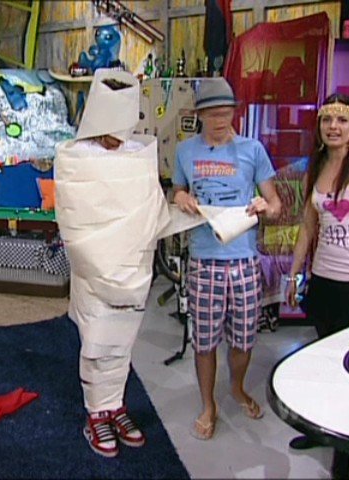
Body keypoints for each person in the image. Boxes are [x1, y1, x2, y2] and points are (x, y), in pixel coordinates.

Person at [54, 69, 170, 458]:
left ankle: (115, 405)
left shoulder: (138, 155)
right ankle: (95, 413)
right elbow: (72, 215)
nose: (112, 138)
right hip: (94, 265)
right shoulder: (75, 157)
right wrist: (99, 256)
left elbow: (151, 206)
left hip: (132, 263)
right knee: (97, 341)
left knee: (121, 342)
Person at [172, 77, 281, 440]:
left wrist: (265, 205)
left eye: (226, 113)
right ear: (200, 115)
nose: (220, 120)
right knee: (204, 341)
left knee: (244, 339)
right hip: (204, 259)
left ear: (235, 112)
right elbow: (177, 189)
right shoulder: (186, 151)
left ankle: (237, 387)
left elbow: (276, 204)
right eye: (213, 114)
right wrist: (181, 197)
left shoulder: (253, 150)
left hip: (243, 259)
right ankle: (208, 404)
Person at [283, 94, 349, 477]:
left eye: (342, 120)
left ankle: (345, 451)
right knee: (325, 363)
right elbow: (308, 226)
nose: (334, 127)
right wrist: (294, 274)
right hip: (323, 281)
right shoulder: (318, 165)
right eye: (327, 120)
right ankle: (322, 430)